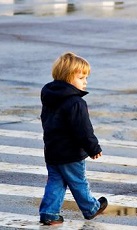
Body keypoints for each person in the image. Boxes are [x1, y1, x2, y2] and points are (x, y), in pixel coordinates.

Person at [39, 52, 108, 225]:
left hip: (52, 150)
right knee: (78, 182)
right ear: (68, 78)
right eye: (81, 77)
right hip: (70, 153)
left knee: (56, 182)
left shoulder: (50, 97)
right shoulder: (76, 102)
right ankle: (91, 208)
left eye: (86, 77)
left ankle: (49, 213)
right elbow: (83, 129)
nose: (85, 81)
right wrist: (94, 148)